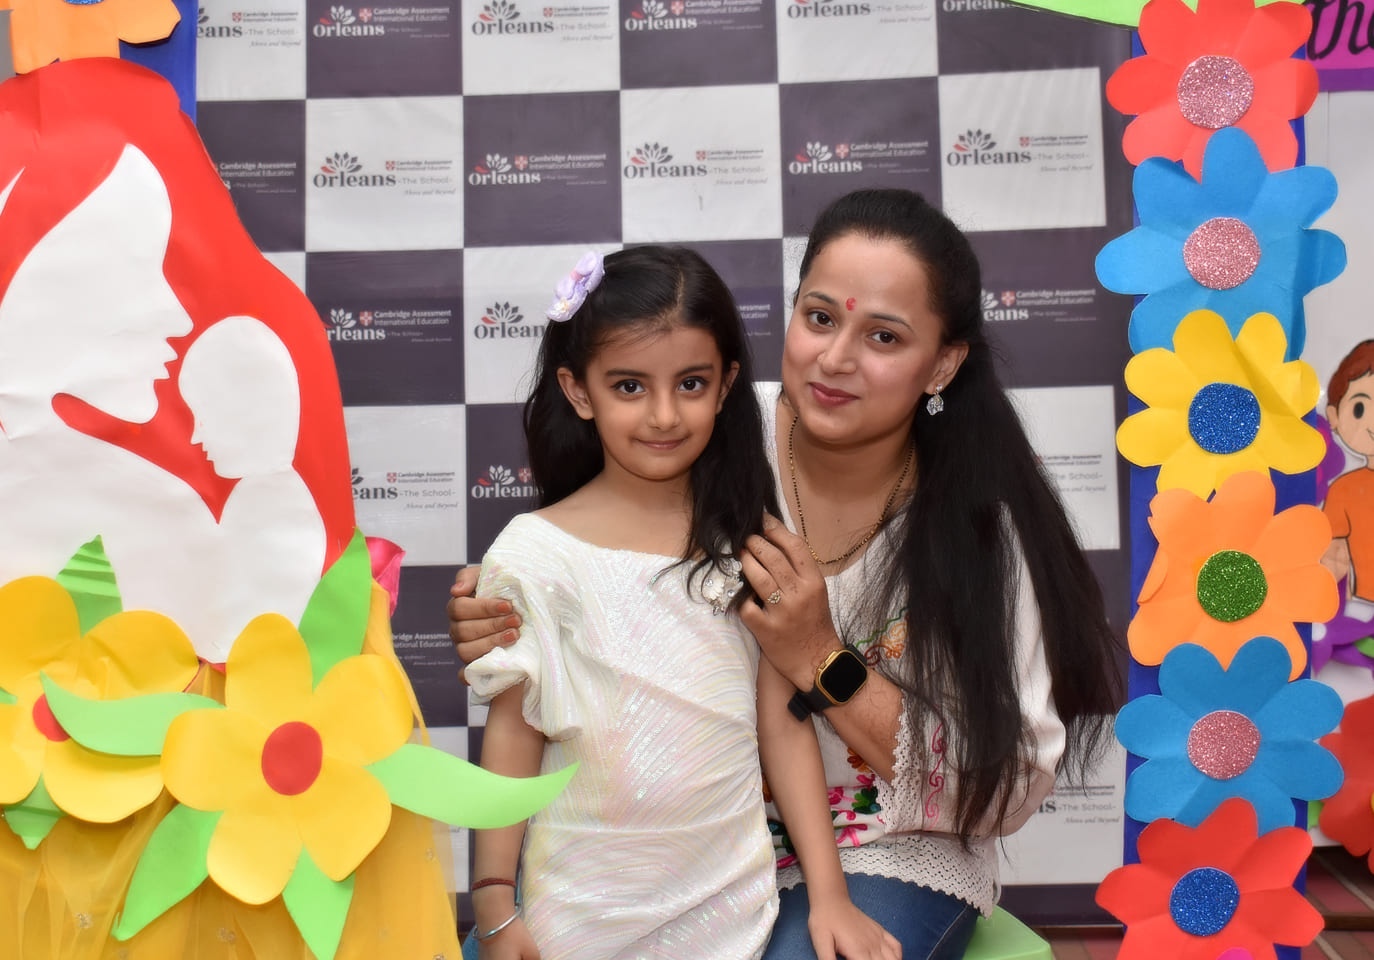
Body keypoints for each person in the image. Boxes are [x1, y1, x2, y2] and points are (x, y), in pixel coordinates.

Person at [451, 189, 1121, 960]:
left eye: (884, 336)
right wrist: (502, 613)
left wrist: (823, 660)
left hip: (880, 848)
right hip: (667, 847)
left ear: (942, 363)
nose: (836, 359)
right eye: (820, 317)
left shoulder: (979, 527)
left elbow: (1003, 790)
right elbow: (590, 560)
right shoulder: (706, 426)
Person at [463, 246, 900, 960]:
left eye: (690, 383)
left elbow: (782, 728)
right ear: (579, 391)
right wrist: (492, 905)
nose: (663, 415)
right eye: (629, 386)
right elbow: (514, 733)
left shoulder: (752, 547)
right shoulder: (533, 553)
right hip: (577, 910)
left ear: (726, 385)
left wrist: (829, 897)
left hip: (731, 912)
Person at [1321, 340, 1374, 602]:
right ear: (1334, 416)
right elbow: (1333, 556)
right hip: (1363, 608)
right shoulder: (1343, 490)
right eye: (1360, 408)